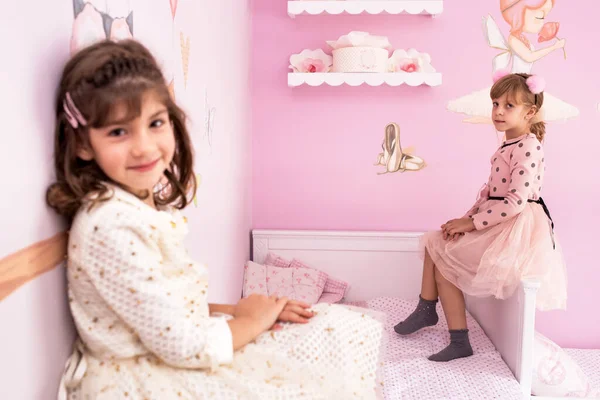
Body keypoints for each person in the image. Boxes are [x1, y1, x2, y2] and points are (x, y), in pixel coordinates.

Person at [48, 39, 384, 399]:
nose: (144, 146)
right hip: (146, 377)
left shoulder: (134, 205)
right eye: (118, 132)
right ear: (82, 144)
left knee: (338, 326)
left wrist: (242, 310)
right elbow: (183, 344)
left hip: (174, 347)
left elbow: (158, 311)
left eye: (156, 123)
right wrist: (250, 321)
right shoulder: (111, 225)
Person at [394, 71, 567, 362]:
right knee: (436, 243)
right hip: (494, 216)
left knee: (444, 260)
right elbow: (488, 194)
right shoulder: (508, 143)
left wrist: (471, 224)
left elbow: (513, 202)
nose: (498, 111)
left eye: (509, 106)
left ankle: (450, 331)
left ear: (531, 112)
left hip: (513, 226)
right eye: (495, 103)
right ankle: (429, 310)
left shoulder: (528, 146)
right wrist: (464, 219)